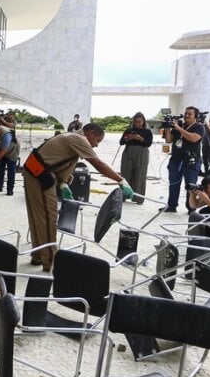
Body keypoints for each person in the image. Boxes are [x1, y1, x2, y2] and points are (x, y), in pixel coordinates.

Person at [22, 123, 133, 270]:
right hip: (39, 175)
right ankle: (51, 262)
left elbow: (61, 161)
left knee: (39, 216)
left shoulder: (72, 137)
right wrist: (120, 180)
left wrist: (62, 182)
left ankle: (38, 255)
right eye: (98, 141)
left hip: (34, 172)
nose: (97, 145)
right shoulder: (80, 139)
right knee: (49, 217)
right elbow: (98, 164)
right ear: (91, 133)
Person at [164, 106, 205, 212]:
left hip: (191, 160)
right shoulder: (179, 125)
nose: (186, 115)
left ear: (195, 116)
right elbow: (168, 140)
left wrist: (178, 128)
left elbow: (193, 138)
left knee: (191, 186)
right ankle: (171, 206)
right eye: (186, 113)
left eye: (189, 114)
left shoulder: (199, 127)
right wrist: (168, 127)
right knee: (173, 183)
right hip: (176, 159)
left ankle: (191, 208)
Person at [119, 112, 153, 204]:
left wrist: (140, 139)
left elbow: (148, 143)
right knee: (125, 173)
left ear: (143, 122)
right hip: (128, 152)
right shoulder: (128, 130)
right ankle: (123, 195)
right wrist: (128, 138)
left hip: (142, 153)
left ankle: (138, 198)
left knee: (140, 175)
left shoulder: (147, 132)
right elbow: (121, 142)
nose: (137, 124)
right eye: (135, 122)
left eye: (139, 122)